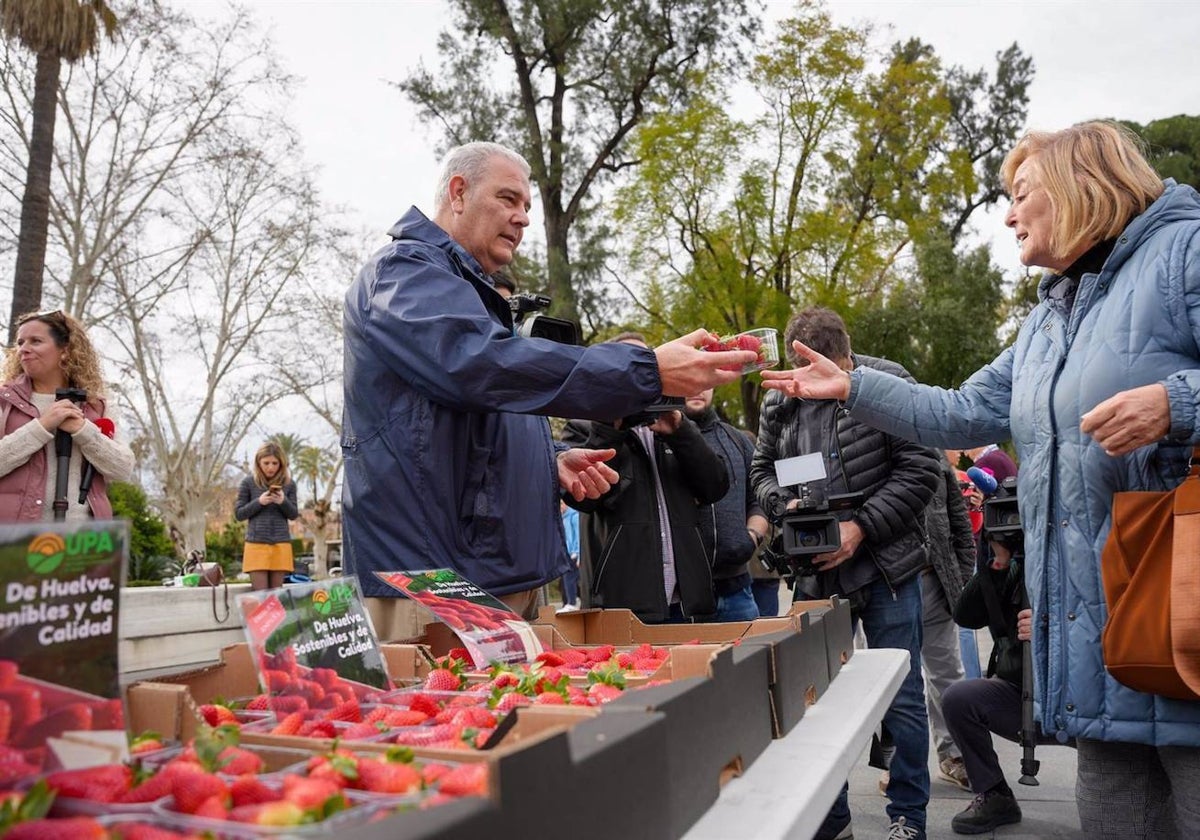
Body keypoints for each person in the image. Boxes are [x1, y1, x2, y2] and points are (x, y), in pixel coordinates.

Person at [760, 121, 1200, 837]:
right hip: (1102, 644)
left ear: (1079, 189)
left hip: (1184, 624)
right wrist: (851, 386)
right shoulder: (1048, 319)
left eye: (1020, 194)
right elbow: (962, 410)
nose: (1007, 213)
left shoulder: (1186, 251)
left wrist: (1178, 404)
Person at [341, 141, 756, 639]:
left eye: (528, 207)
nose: (523, 219)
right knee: (455, 714)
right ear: (458, 193)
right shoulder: (402, 273)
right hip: (435, 581)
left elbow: (475, 415)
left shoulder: (468, 293)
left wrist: (549, 461)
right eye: (509, 199)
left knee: (521, 717)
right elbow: (482, 366)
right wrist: (646, 370)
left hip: (499, 574)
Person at [750, 306, 941, 840]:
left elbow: (922, 468)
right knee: (813, 697)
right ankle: (832, 822)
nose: (808, 382)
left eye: (819, 369)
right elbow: (761, 469)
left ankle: (908, 819)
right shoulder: (779, 400)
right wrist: (782, 507)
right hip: (813, 573)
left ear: (842, 356)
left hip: (885, 568)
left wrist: (861, 527)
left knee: (901, 697)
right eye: (800, 369)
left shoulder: (888, 384)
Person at [561, 334, 730, 624]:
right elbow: (584, 498)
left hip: (689, 603)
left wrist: (680, 431)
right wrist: (610, 426)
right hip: (621, 608)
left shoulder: (674, 421)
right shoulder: (583, 426)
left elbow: (715, 486)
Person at [0, 310, 133, 521]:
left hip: (82, 542)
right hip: (14, 541)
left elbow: (122, 469)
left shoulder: (96, 406)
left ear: (65, 350)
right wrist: (41, 426)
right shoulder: (4, 402)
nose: (23, 349)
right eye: (20, 342)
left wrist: (83, 431)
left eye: (35, 341)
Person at [943, 542, 1031, 834]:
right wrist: (1000, 562)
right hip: (1020, 691)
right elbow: (966, 616)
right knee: (959, 699)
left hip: (1083, 701)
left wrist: (1051, 626)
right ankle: (994, 793)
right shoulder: (1011, 566)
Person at [913, 454, 976, 792]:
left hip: (933, 583)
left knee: (948, 675)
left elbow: (959, 521)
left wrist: (963, 578)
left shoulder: (933, 453)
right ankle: (897, 762)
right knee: (893, 680)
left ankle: (955, 755)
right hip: (884, 586)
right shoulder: (864, 439)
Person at [684, 387, 771, 622]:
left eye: (705, 381)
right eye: (690, 381)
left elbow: (759, 498)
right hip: (680, 598)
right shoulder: (659, 440)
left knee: (750, 659)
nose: (698, 389)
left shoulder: (738, 439)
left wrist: (752, 535)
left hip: (737, 592)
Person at [236, 442, 300, 591]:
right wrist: (259, 502)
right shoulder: (248, 483)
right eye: (266, 463)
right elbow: (239, 514)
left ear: (281, 464)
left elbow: (293, 515)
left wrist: (283, 501)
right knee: (260, 595)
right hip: (256, 544)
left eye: (274, 463)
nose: (270, 467)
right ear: (258, 463)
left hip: (281, 544)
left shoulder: (289, 484)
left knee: (276, 596)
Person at [559, 499, 580, 611]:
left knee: (570, 578)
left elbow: (578, 536)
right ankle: (571, 601)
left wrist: (578, 554)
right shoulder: (564, 518)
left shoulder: (574, 516)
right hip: (568, 552)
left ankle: (572, 602)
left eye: (561, 504)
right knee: (568, 578)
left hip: (574, 553)